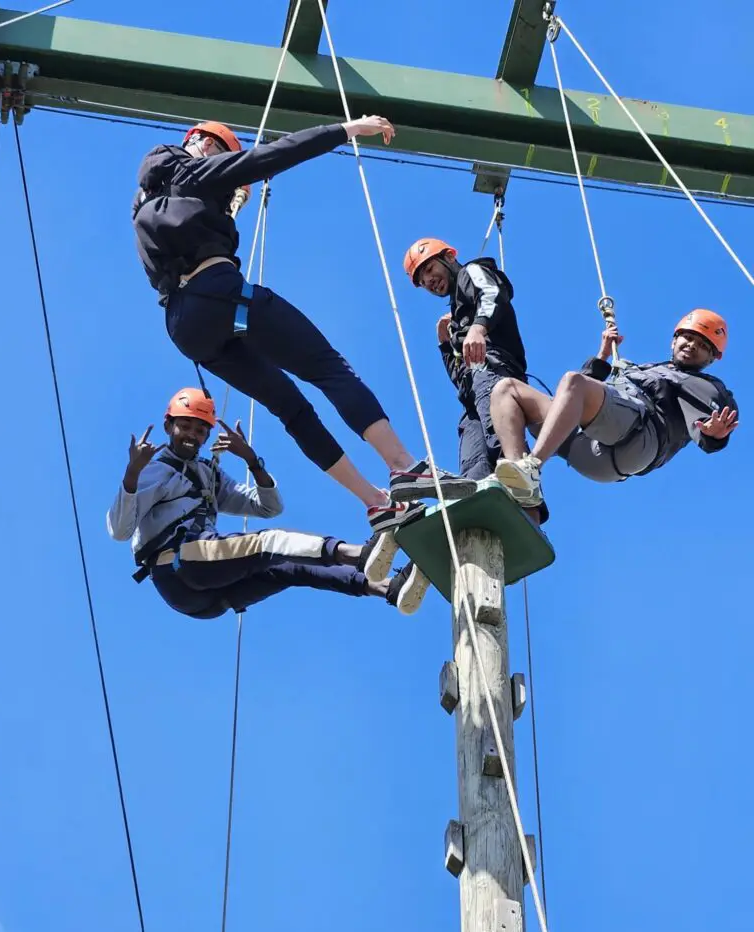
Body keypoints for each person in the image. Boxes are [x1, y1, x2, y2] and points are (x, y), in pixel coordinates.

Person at [132, 118, 472, 535]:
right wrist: (348, 129)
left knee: (290, 408)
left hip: (187, 327)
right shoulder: (195, 172)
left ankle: (376, 504)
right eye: (223, 152)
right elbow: (274, 153)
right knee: (329, 370)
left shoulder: (147, 205)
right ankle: (404, 468)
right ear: (200, 143)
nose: (226, 160)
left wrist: (225, 204)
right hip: (220, 294)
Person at [105, 388, 431, 620]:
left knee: (287, 568)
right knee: (270, 543)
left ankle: (388, 588)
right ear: (168, 426)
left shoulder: (208, 475)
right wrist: (132, 474)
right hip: (175, 567)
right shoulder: (154, 468)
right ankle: (362, 554)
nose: (191, 435)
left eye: (200, 430)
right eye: (185, 426)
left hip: (209, 598)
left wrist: (252, 461)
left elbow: (267, 507)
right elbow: (120, 531)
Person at [486, 309, 739, 509]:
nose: (692, 345)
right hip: (590, 449)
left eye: (703, 345)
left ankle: (531, 468)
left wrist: (714, 435)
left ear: (712, 358)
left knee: (575, 381)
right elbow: (571, 397)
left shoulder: (704, 385)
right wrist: (603, 356)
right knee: (507, 389)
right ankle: (519, 480)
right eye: (688, 337)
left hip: (638, 440)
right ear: (674, 340)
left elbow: (713, 421)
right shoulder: (644, 369)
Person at [401, 236, 548, 521]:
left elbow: (494, 292)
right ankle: (476, 515)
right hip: (472, 397)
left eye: (431, 269)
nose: (430, 280)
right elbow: (460, 378)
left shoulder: (472, 272)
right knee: (474, 463)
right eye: (423, 280)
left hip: (494, 372)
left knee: (503, 441)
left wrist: (479, 328)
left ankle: (531, 512)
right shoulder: (457, 321)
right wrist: (445, 343)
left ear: (450, 257)